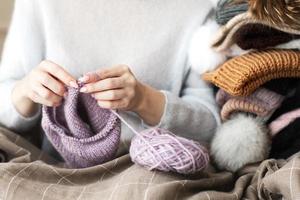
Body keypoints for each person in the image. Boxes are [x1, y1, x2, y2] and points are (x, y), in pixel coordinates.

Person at [0, 0, 219, 156]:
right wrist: (27, 90)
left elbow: (210, 126)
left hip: (152, 173)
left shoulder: (196, 10)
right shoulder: (39, 3)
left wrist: (144, 100)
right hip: (58, 173)